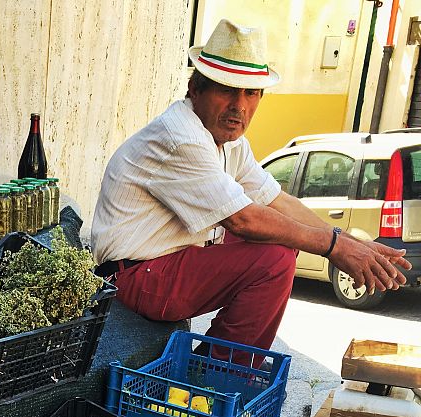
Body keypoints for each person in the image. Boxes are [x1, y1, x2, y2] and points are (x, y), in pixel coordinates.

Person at [91, 18, 409, 359]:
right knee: (273, 259)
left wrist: (349, 242)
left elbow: (275, 201)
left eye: (251, 93)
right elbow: (243, 220)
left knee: (282, 239)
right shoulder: (181, 136)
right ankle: (217, 374)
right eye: (226, 90)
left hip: (167, 263)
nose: (239, 106)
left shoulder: (229, 142)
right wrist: (333, 248)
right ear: (195, 89)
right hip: (133, 277)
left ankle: (216, 365)